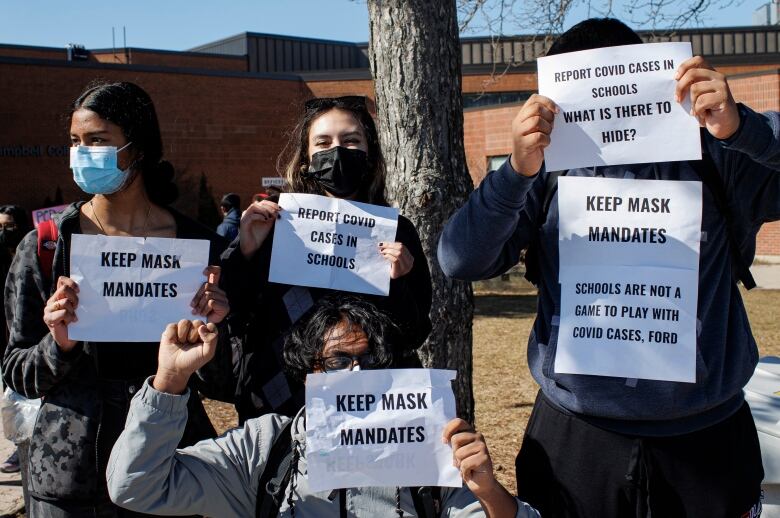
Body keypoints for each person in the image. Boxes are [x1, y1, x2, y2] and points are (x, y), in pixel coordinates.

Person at [438, 18, 779, 518]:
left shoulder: (713, 150)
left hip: (708, 438)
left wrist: (743, 128)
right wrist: (513, 171)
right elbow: (460, 257)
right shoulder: (544, 168)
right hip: (576, 438)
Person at [2, 81, 231, 517]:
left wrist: (216, 328)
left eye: (98, 141)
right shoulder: (47, 246)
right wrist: (59, 344)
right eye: (75, 142)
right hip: (70, 476)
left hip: (170, 468)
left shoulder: (196, 247)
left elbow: (221, 382)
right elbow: (17, 373)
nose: (83, 153)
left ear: (137, 148)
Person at [107, 295, 539, 518]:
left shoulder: (427, 447)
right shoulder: (265, 448)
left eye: (369, 360)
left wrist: (487, 490)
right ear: (311, 370)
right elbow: (134, 485)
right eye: (337, 361)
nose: (355, 374)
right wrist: (170, 380)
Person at [220, 96, 432, 422]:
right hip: (283, 402)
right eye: (323, 142)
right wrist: (246, 251)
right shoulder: (275, 226)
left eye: (350, 140)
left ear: (369, 152)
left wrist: (398, 284)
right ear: (305, 158)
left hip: (367, 407)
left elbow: (414, 332)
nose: (337, 151)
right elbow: (233, 310)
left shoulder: (396, 231)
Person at [0, 205, 30, 476]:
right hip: (6, 344)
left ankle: (24, 449)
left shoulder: (34, 254)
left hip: (28, 344)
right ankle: (20, 445)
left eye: (8, 226)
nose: (4, 232)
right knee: (11, 398)